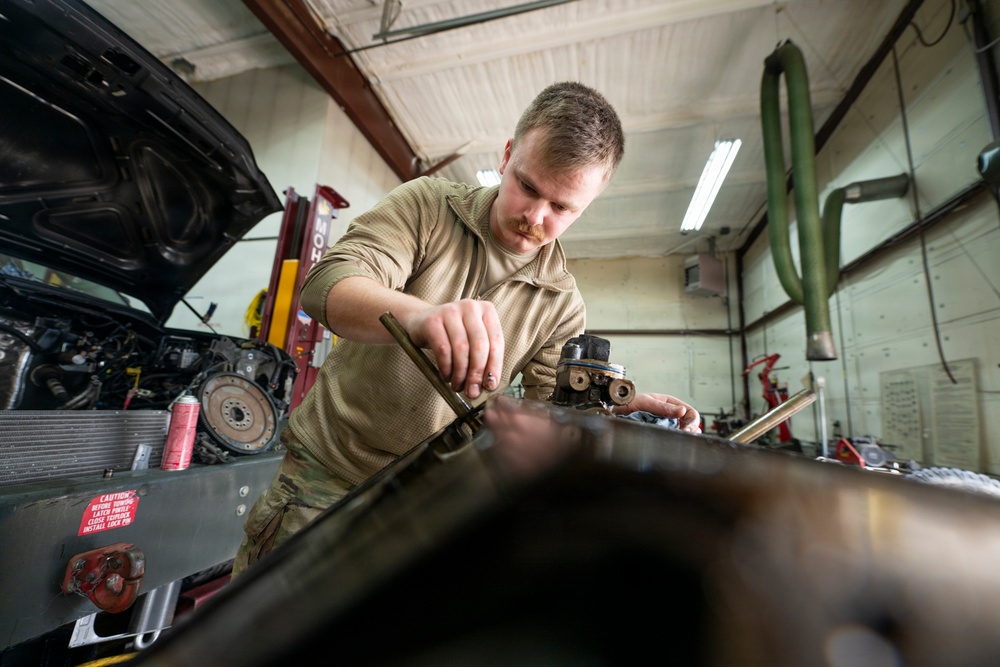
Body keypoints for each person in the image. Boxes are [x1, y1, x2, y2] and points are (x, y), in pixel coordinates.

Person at [232, 81, 701, 575]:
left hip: (432, 507)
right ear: (506, 156)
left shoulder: (562, 305)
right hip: (323, 483)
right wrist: (418, 316)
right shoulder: (427, 206)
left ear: (589, 203)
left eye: (562, 208)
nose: (535, 218)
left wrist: (612, 414)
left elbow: (554, 415)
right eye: (528, 186)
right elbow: (327, 284)